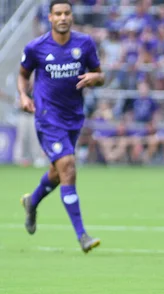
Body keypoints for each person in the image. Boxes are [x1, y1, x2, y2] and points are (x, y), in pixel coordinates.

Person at [18, 0, 104, 253]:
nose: (63, 17)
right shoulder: (36, 47)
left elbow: (101, 75)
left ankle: (31, 201)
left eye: (67, 13)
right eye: (58, 13)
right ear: (50, 17)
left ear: (72, 16)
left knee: (58, 172)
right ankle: (82, 236)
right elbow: (23, 74)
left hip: (74, 117)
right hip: (47, 116)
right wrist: (24, 96)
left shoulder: (84, 44)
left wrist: (95, 78)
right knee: (68, 167)